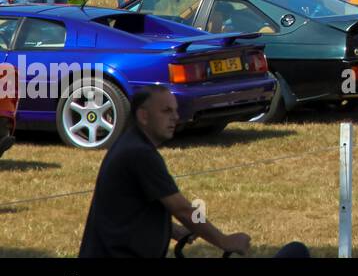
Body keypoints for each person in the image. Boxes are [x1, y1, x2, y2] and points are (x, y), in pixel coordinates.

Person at [79, 86, 257, 257]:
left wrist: (172, 229)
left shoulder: (130, 144)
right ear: (143, 115)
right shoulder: (140, 154)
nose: (175, 117)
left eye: (175, 110)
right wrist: (224, 241)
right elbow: (182, 209)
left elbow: (127, 210)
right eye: (166, 111)